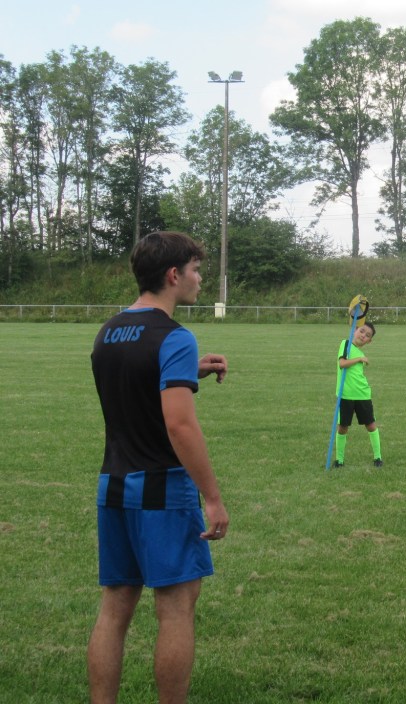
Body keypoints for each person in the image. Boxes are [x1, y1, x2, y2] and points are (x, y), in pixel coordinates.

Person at [87, 231, 230, 704]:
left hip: (113, 485)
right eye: (195, 270)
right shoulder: (174, 336)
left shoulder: (108, 332)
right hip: (162, 490)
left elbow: (136, 381)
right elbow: (179, 425)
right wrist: (212, 497)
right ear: (173, 275)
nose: (199, 278)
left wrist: (190, 370)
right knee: (176, 608)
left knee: (114, 609)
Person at [334, 321, 383, 467]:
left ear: (369, 341)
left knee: (371, 425)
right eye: (361, 331)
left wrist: (360, 358)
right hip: (345, 395)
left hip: (362, 395)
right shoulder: (346, 344)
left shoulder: (361, 353)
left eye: (367, 335)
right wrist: (359, 359)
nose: (363, 336)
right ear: (355, 330)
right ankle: (339, 460)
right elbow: (342, 364)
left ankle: (378, 458)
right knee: (342, 427)